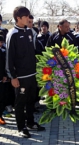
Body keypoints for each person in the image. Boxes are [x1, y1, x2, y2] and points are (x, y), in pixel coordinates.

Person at [6, 6, 45, 138]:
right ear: (18, 18)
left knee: (31, 100)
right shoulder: (12, 34)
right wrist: (13, 77)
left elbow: (32, 52)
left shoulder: (30, 32)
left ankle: (31, 123)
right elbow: (9, 58)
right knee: (20, 102)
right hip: (20, 77)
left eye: (29, 16)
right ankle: (21, 127)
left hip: (32, 75)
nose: (29, 19)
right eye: (26, 17)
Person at [0, 35, 7, 125]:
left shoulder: (3, 52)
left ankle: (0, 115)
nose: (1, 44)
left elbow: (4, 65)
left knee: (2, 98)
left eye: (2, 42)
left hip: (1, 79)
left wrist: (5, 75)